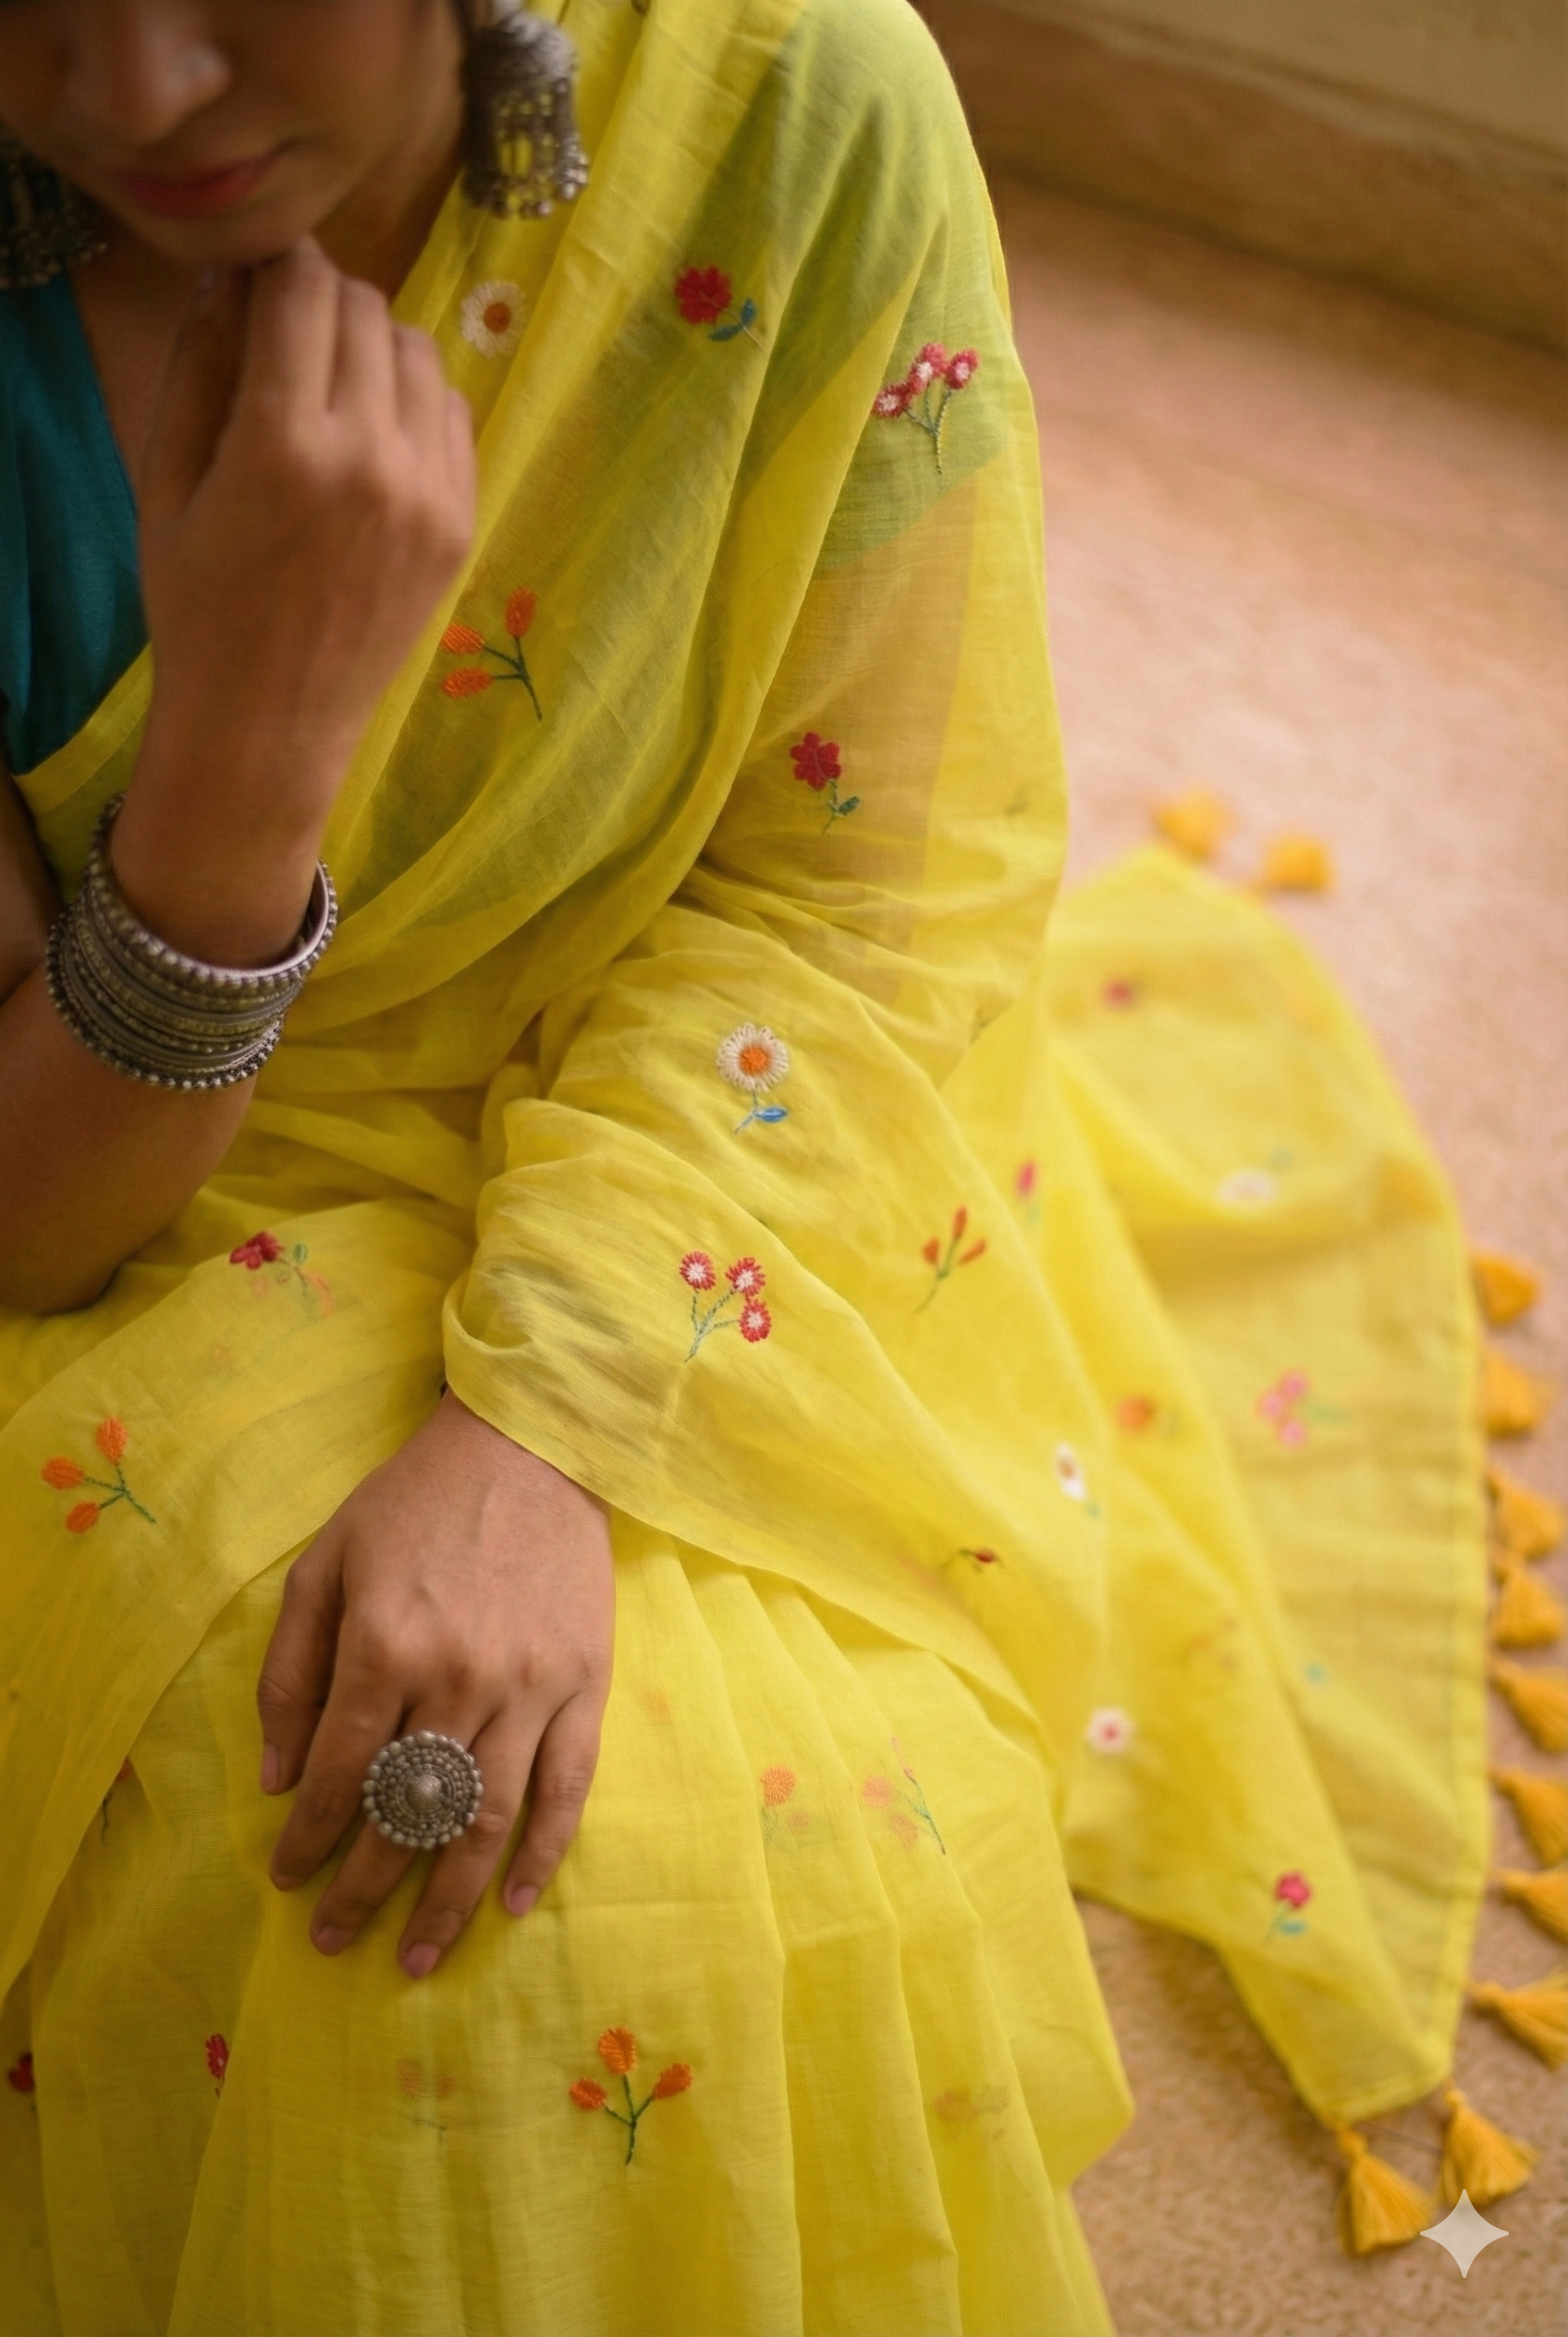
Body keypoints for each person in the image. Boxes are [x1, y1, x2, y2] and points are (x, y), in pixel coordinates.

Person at [0, 3, 1509, 2331]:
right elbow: (27, 1206)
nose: (125, 96)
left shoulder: (786, 107)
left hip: (713, 1147)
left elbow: (868, 880)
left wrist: (547, 1426)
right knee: (310, 1878)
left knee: (675, 1885)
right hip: (125, 1162)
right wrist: (240, 770)